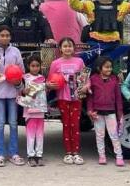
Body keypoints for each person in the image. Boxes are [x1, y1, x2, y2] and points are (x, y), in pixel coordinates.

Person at [0, 25, 26, 167]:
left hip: (12, 93)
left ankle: (14, 153)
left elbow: (21, 71)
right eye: (2, 35)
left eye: (7, 35)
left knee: (14, 123)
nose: (5, 38)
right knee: (0, 124)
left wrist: (17, 82)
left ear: (10, 37)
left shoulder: (15, 51)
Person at [47, 36, 86, 165]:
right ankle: (68, 153)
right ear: (60, 49)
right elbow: (50, 80)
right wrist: (49, 86)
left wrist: (86, 87)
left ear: (74, 48)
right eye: (65, 46)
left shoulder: (79, 61)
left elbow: (85, 79)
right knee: (66, 124)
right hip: (62, 98)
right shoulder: (55, 63)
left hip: (76, 98)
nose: (67, 48)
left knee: (75, 124)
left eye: (70, 46)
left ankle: (76, 152)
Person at [87, 56, 125, 166]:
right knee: (99, 135)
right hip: (97, 113)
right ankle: (102, 156)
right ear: (99, 68)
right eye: (106, 67)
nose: (109, 69)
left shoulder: (114, 79)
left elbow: (118, 98)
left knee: (114, 135)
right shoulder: (93, 79)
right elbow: (90, 97)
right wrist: (90, 110)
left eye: (110, 67)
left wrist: (120, 113)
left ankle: (119, 156)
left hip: (111, 112)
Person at [19, 54, 48, 167]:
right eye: (33, 66)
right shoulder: (24, 78)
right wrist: (23, 91)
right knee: (30, 135)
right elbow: (20, 91)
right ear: (28, 66)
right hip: (29, 112)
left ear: (40, 66)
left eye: (37, 66)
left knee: (40, 135)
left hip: (40, 111)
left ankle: (39, 155)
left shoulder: (43, 78)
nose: (35, 68)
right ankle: (30, 156)